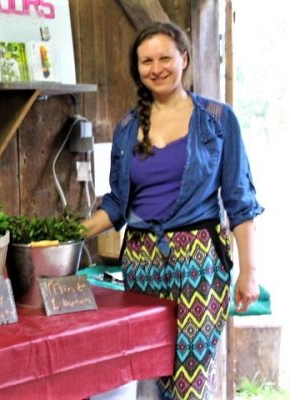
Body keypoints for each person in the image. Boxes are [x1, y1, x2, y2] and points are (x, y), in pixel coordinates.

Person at [81, 21, 263, 400]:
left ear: (184, 59)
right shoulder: (128, 128)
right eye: (146, 61)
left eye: (165, 57)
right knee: (154, 379)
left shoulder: (216, 118)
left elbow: (240, 201)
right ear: (138, 68)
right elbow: (116, 204)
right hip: (142, 264)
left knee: (191, 387)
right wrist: (66, 234)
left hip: (200, 263)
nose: (156, 68)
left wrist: (249, 272)